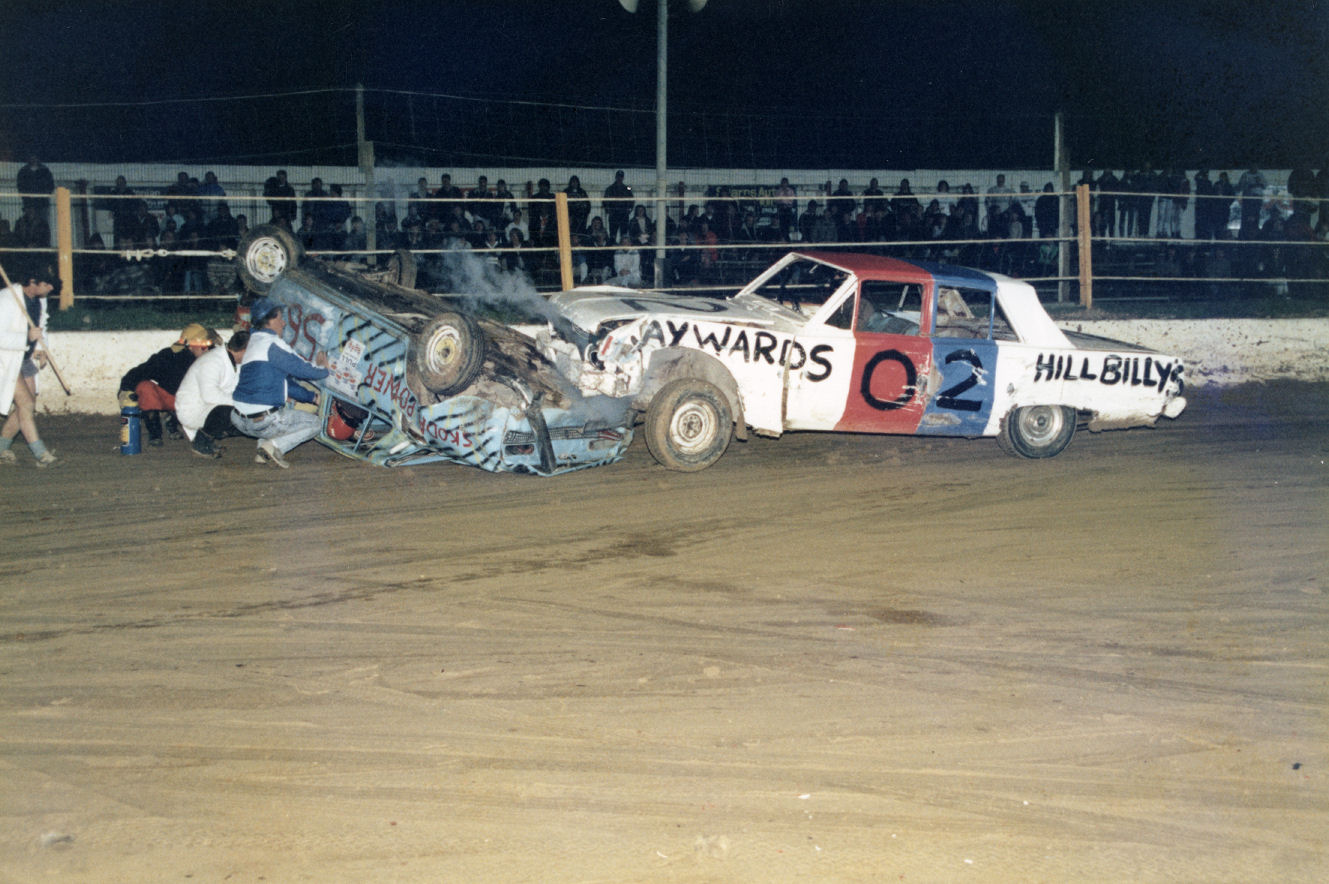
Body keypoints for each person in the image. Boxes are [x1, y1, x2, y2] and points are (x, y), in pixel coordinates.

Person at [230, 297, 330, 468]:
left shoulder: (253, 341)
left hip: (238, 419)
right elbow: (304, 370)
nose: (284, 323)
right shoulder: (273, 344)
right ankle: (273, 447)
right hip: (262, 422)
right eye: (280, 318)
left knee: (277, 409)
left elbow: (282, 382)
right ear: (269, 321)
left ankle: (263, 450)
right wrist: (323, 369)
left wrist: (311, 397)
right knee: (315, 424)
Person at [117, 322, 213, 446]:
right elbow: (140, 372)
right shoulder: (168, 357)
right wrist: (125, 389)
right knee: (145, 387)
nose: (207, 350)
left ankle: (174, 421)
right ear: (189, 346)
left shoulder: (212, 360)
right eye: (203, 347)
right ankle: (155, 432)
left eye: (208, 346)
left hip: (194, 404)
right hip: (173, 399)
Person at [0, 263, 57, 467]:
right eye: (47, 285)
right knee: (25, 404)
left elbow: (42, 326)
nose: (51, 289)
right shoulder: (6, 300)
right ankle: (41, 454)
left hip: (23, 357)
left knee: (28, 404)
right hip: (4, 359)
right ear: (32, 282)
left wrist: (41, 348)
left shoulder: (40, 301)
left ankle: (1, 447)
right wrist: (25, 337)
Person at [176, 330, 249, 458]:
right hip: (193, 410)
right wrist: (241, 402)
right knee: (233, 411)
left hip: (207, 407)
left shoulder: (234, 362)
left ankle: (206, 438)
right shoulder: (212, 361)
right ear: (243, 350)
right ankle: (202, 440)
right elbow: (210, 396)